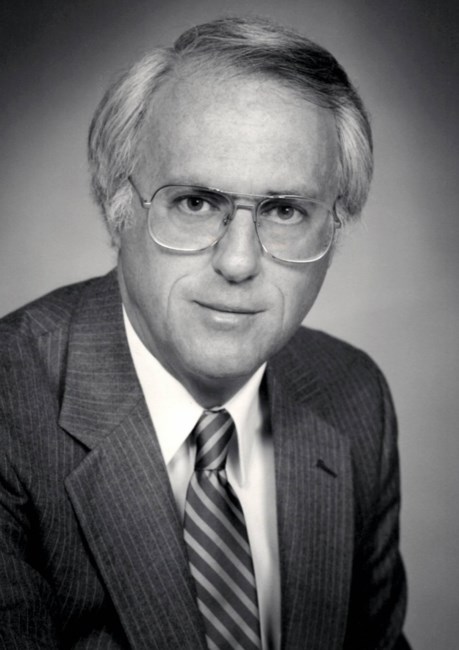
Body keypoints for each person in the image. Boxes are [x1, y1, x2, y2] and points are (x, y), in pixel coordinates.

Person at [0, 15, 410, 650]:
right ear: (117, 206)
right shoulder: (9, 404)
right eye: (195, 202)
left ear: (335, 229)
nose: (238, 262)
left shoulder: (354, 394)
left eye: (284, 210)